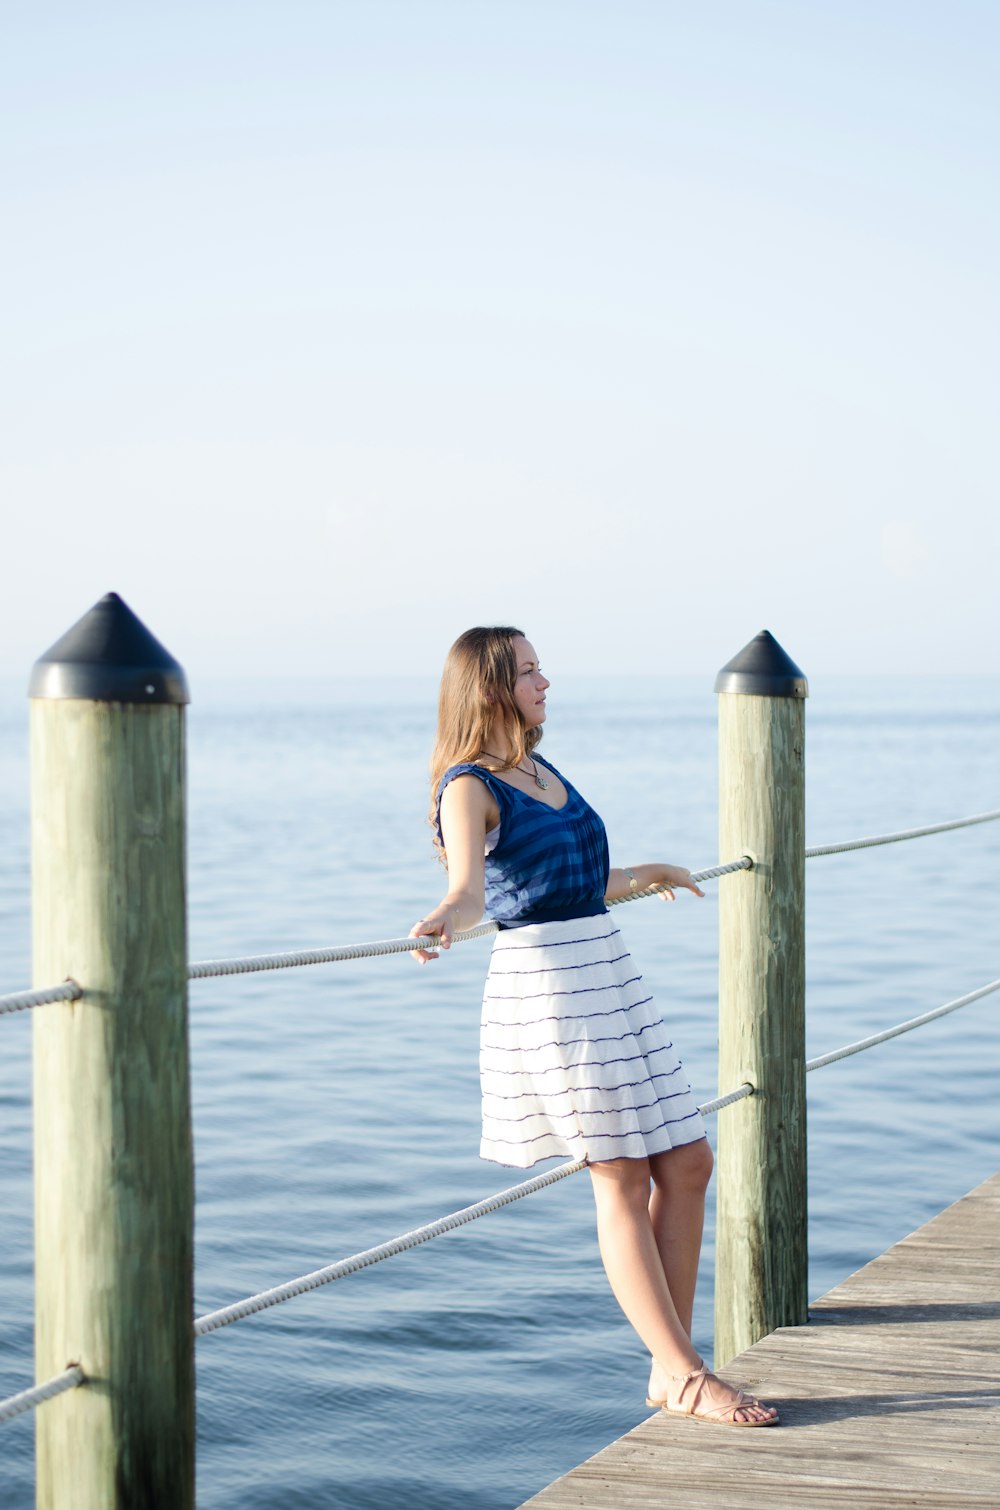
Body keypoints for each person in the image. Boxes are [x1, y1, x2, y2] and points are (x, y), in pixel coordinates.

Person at [409, 626, 779, 1428]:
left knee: (686, 1161)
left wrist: (645, 874)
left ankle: (666, 1364)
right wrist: (444, 915)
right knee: (619, 1174)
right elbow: (475, 892)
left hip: (609, 972)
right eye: (530, 671)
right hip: (549, 988)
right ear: (489, 688)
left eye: (542, 667)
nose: (547, 681)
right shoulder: (468, 785)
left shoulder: (540, 770)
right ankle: (684, 1372)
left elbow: (570, 878)